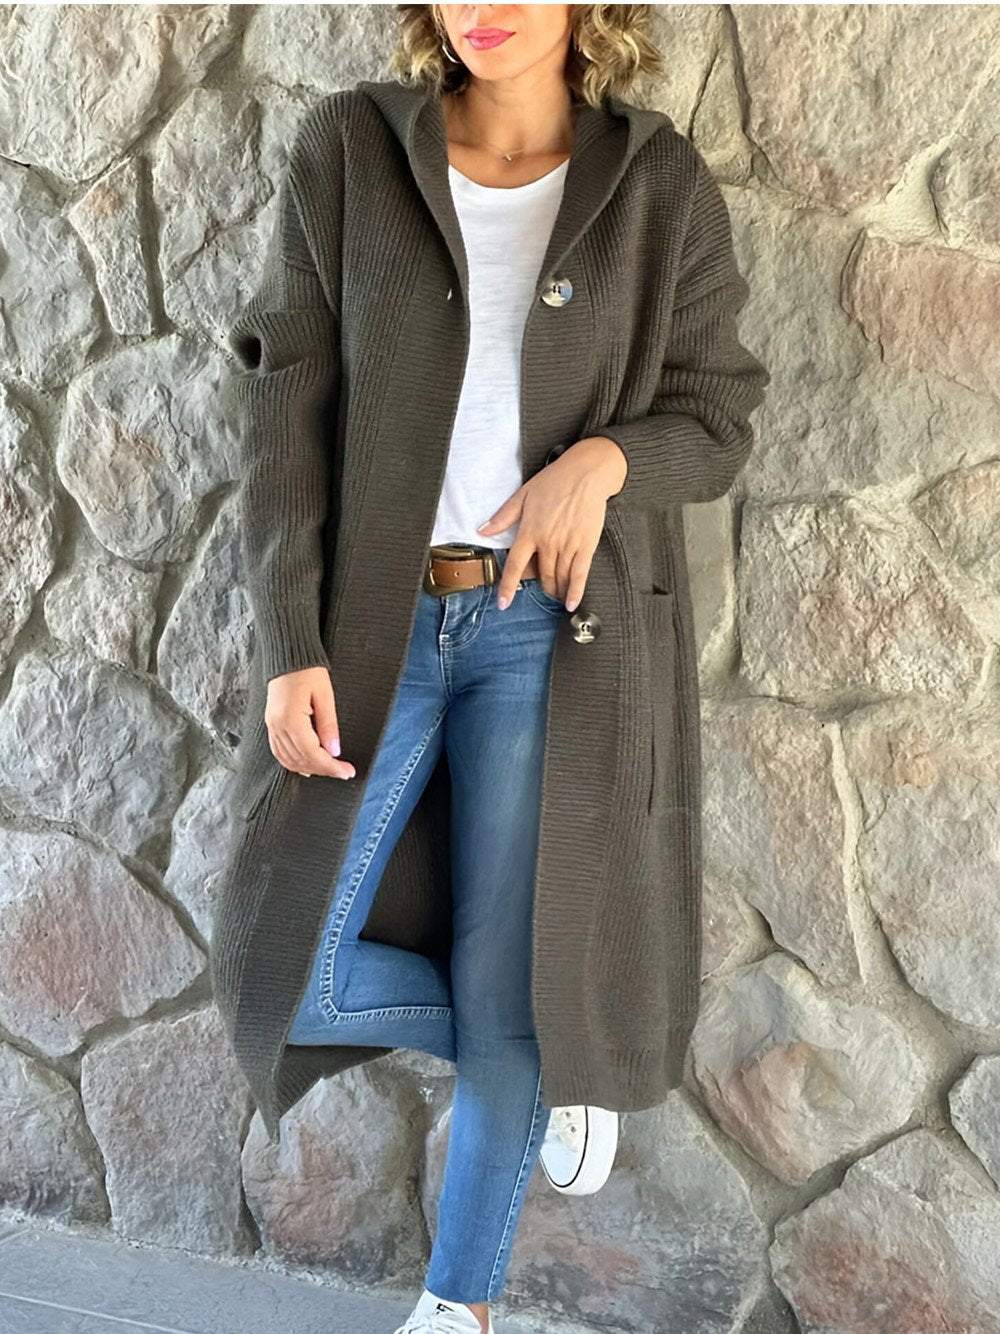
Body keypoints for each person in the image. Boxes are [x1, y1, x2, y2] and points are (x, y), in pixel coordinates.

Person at [215, 5, 769, 1333]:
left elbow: (719, 410)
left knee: (515, 960)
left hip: (552, 635)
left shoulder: (656, 180)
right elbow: (285, 410)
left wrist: (605, 461)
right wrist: (290, 640)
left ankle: (455, 1307)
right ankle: (547, 1046)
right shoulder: (352, 151)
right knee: (278, 962)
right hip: (376, 631)